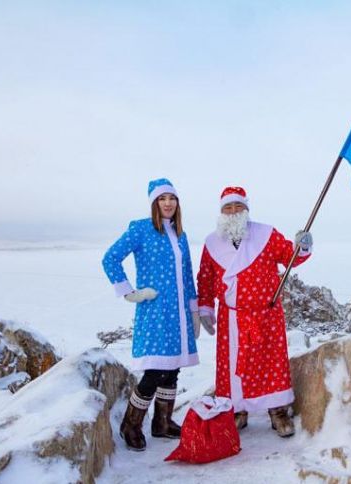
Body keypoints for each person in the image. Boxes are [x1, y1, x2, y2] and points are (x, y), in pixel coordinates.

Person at [102, 178, 211, 451]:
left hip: (178, 313)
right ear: (154, 203)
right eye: (162, 199)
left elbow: (186, 274)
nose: (168, 203)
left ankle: (162, 423)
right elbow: (110, 258)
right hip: (154, 311)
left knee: (172, 369)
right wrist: (129, 292)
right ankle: (131, 424)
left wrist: (194, 308)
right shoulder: (141, 229)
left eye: (172, 199)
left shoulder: (181, 234)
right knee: (154, 371)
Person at [196, 186, 313, 437]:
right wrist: (205, 308)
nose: (233, 211)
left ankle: (277, 411)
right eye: (228, 207)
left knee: (270, 362)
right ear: (221, 211)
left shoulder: (265, 234)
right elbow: (205, 277)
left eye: (238, 206)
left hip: (265, 313)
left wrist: (301, 247)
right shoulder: (211, 243)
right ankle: (237, 410)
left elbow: (289, 257)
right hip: (232, 317)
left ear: (246, 209)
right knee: (233, 366)